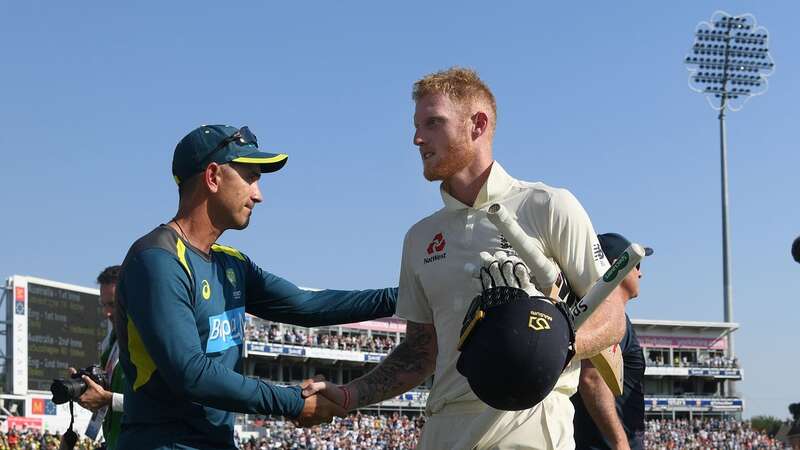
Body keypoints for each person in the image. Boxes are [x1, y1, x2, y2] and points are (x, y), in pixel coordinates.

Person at [303, 67, 630, 449]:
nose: (417, 138)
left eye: (433, 123)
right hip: (444, 427)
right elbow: (420, 352)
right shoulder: (419, 237)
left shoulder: (548, 205)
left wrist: (560, 343)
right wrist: (348, 395)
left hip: (529, 425)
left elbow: (611, 315)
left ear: (477, 124)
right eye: (416, 125)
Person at [114, 124, 398, 450]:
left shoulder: (232, 263)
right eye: (250, 177)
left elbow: (307, 305)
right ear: (212, 177)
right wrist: (292, 401)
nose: (258, 195)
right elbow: (190, 372)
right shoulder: (157, 260)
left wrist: (410, 295)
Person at [572, 233, 651, 450]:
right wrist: (619, 442)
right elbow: (591, 377)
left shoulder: (596, 311)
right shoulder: (607, 315)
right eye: (637, 265)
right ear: (619, 265)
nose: (641, 274)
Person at [71, 265, 126, 449]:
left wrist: (108, 399)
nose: (107, 313)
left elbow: (160, 404)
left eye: (112, 304)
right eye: (104, 305)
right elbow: (105, 397)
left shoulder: (153, 341)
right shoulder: (108, 345)